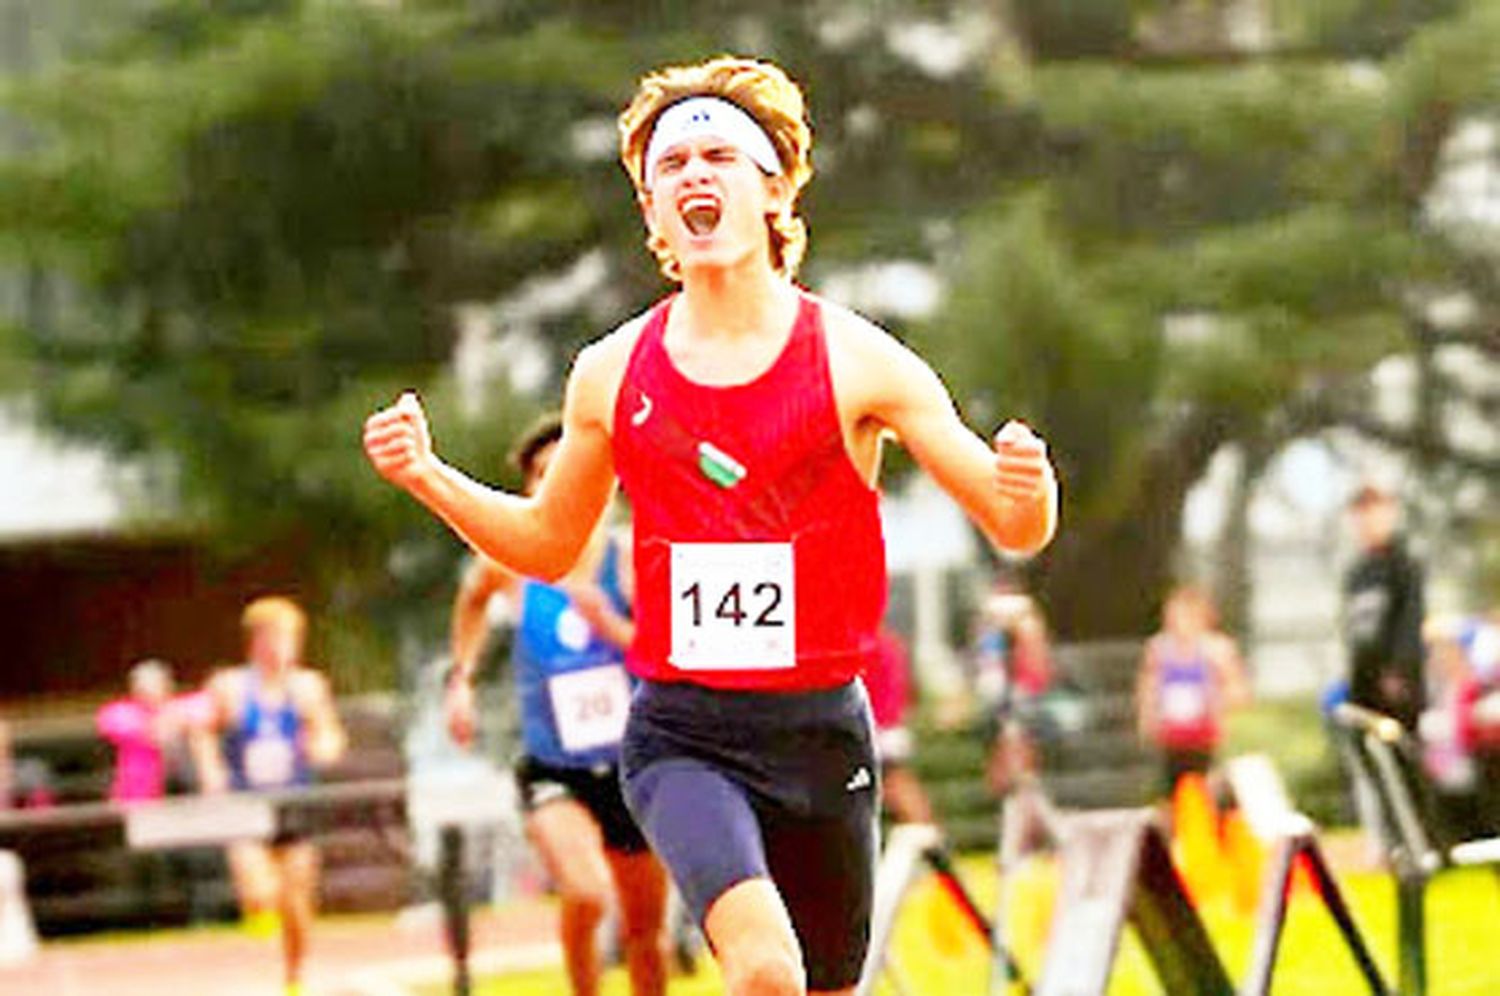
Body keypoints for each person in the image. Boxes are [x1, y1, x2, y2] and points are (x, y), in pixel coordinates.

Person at [364, 55, 1057, 996]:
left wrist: (1031, 483)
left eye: (719, 155)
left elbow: (1014, 524)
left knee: (822, 987)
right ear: (652, 214)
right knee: (765, 971)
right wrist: (431, 478)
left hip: (822, 733)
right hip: (685, 731)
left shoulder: (857, 360)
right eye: (670, 166)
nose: (694, 174)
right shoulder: (611, 372)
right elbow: (549, 544)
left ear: (772, 186)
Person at [447, 413, 668, 996]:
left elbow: (665, 655)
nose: (551, 484)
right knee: (587, 891)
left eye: (562, 471)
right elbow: (471, 602)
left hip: (635, 766)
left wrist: (610, 623)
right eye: (539, 474)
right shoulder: (514, 563)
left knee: (646, 931)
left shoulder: (631, 557)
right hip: (553, 764)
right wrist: (460, 679)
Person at [192, 597, 347, 996]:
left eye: (289, 638)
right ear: (256, 641)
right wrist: (211, 768)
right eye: (274, 637)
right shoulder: (230, 686)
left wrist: (323, 745)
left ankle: (294, 979)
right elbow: (202, 730)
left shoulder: (308, 687)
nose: (281, 647)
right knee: (260, 888)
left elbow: (329, 733)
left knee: (298, 899)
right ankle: (258, 909)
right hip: (246, 803)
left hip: (294, 802)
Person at [1135, 584, 1249, 796]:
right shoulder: (1159, 648)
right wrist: (1147, 718)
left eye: (1185, 616)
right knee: (1174, 790)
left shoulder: (1217, 649)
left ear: (1202, 618)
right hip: (1172, 736)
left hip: (1207, 735)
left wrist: (1219, 705)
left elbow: (1238, 691)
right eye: (1173, 616)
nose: (1178, 623)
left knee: (1207, 787)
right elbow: (1148, 687)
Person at [97, 660, 207, 804]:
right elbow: (108, 722)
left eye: (155, 684)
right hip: (138, 799)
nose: (149, 691)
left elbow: (204, 708)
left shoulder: (183, 708)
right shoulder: (121, 713)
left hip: (189, 791)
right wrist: (156, 728)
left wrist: (172, 720)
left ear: (169, 686)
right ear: (134, 689)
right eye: (143, 686)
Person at [862, 626, 934, 825]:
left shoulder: (870, 646)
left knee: (896, 783)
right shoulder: (891, 644)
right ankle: (924, 830)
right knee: (897, 782)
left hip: (879, 727)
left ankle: (926, 832)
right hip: (890, 725)